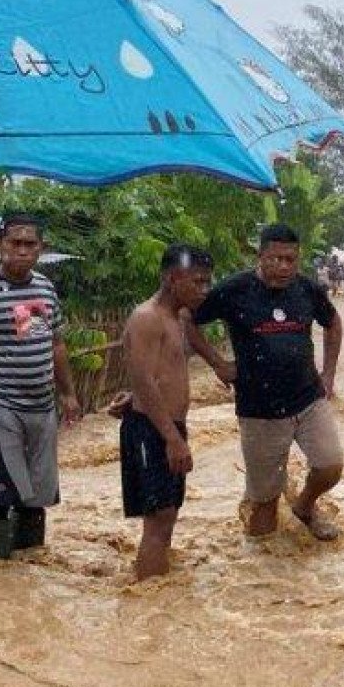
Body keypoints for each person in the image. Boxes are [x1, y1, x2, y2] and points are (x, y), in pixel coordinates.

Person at [188, 223, 344, 540]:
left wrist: (329, 373)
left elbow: (333, 322)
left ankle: (303, 505)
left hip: (309, 398)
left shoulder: (306, 289)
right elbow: (186, 318)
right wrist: (217, 363)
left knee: (330, 466)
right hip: (259, 410)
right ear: (261, 255)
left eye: (291, 259)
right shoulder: (235, 290)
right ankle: (261, 572)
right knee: (264, 511)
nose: (285, 267)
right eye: (277, 259)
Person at [0, 213, 81, 560]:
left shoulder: (44, 288)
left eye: (30, 244)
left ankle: (30, 573)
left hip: (42, 405)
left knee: (37, 494)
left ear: (41, 248)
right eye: (15, 243)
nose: (22, 251)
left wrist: (68, 393)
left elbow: (54, 344)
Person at [118, 245, 213, 580]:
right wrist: (172, 439)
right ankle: (148, 605)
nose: (204, 290)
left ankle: (159, 602)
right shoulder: (147, 318)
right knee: (159, 518)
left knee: (168, 515)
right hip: (152, 429)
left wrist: (220, 366)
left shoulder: (180, 317)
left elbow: (167, 366)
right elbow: (144, 381)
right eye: (198, 282)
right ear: (174, 279)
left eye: (207, 282)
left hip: (169, 426)